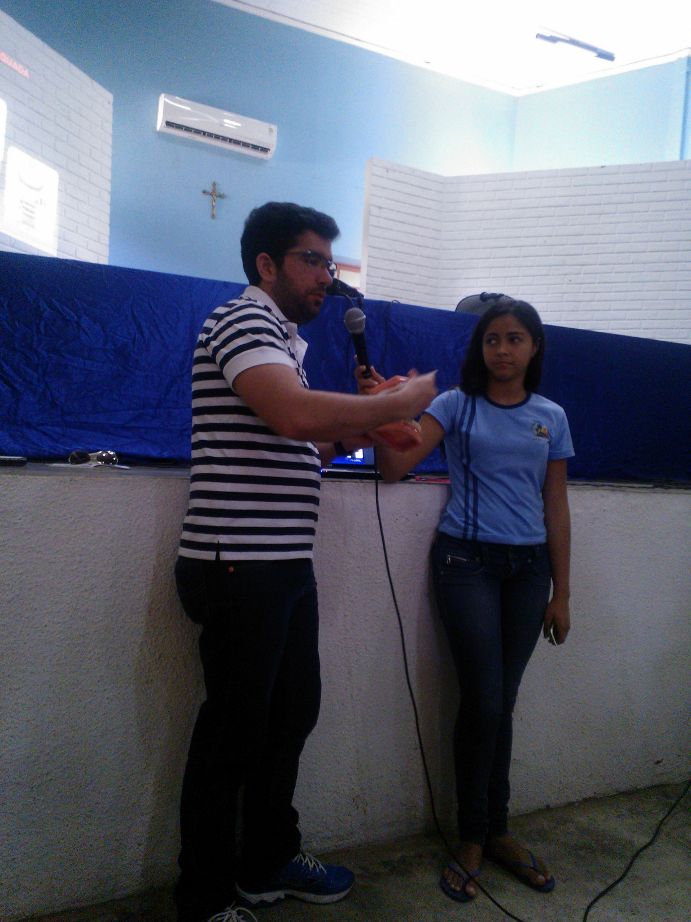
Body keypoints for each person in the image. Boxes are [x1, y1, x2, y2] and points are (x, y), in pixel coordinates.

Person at [173, 201, 437, 922]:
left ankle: (264, 864)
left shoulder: (285, 341)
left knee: (290, 716)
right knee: (232, 734)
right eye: (311, 260)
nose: (327, 275)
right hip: (237, 563)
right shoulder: (242, 321)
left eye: (329, 261)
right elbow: (291, 415)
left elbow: (302, 445)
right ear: (266, 265)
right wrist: (409, 396)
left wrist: (362, 424)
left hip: (281, 563)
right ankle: (200, 899)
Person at [361, 295, 573, 903]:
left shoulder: (551, 417)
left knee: (501, 702)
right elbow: (397, 467)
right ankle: (473, 837)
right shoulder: (455, 405)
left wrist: (564, 591)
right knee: (483, 697)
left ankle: (497, 831)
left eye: (514, 339)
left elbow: (555, 506)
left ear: (534, 348)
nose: (502, 350)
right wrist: (379, 414)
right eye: (492, 340)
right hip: (466, 563)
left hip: (529, 571)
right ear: (479, 349)